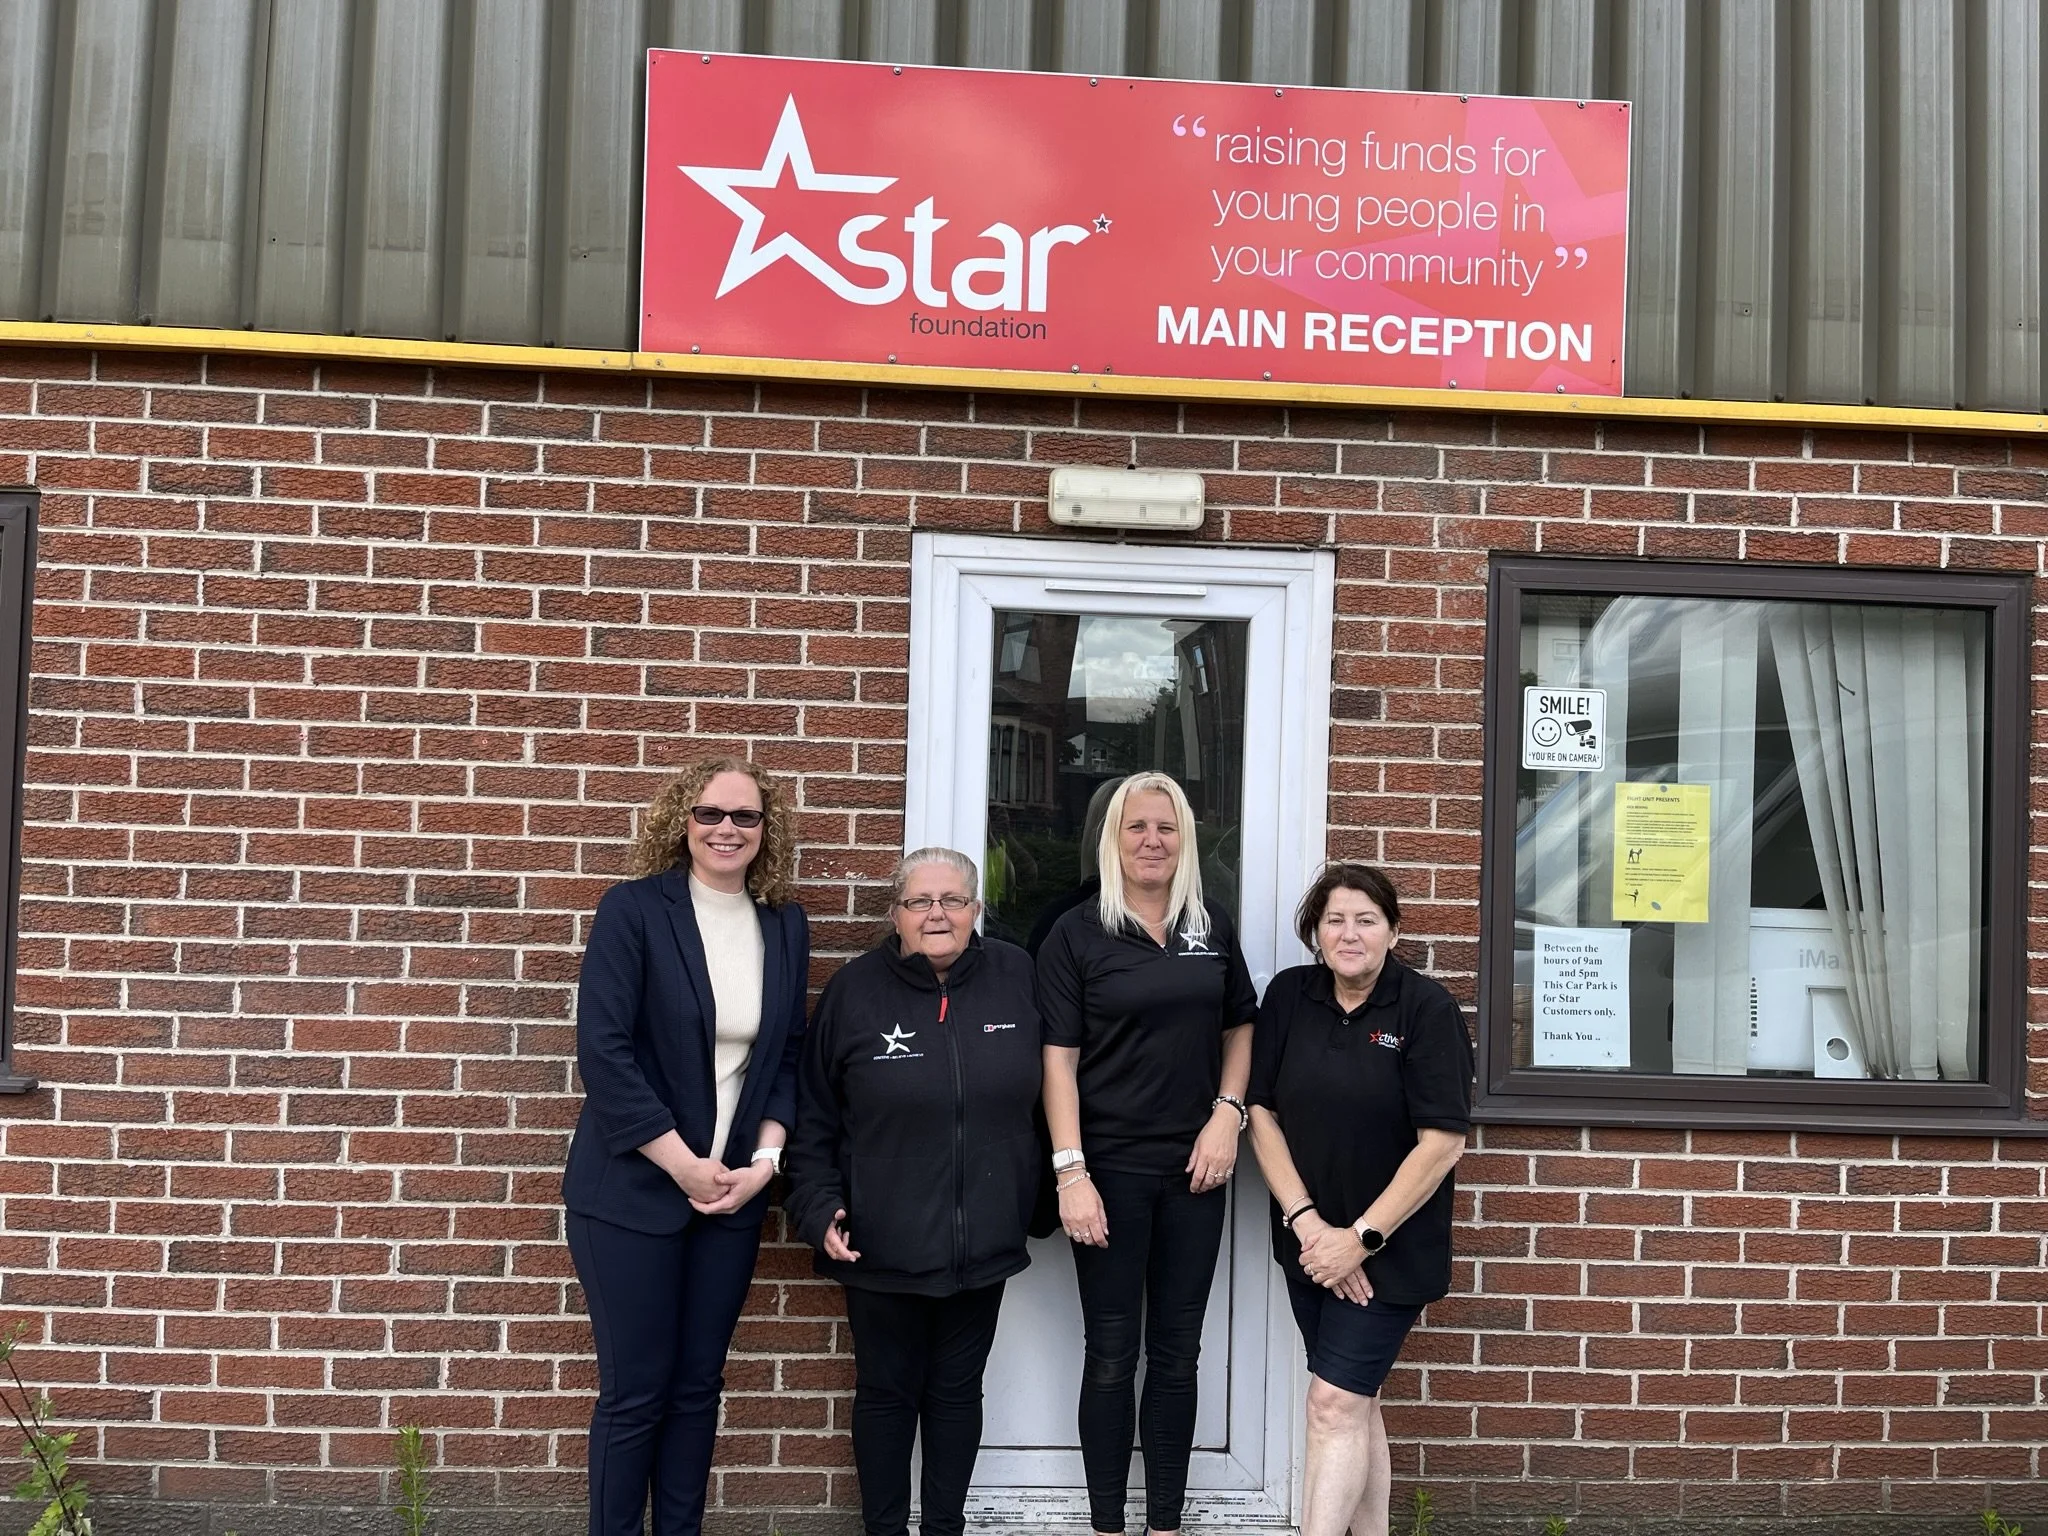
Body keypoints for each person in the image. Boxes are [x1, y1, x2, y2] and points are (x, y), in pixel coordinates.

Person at [560, 757, 810, 1536]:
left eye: (746, 817)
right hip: (631, 1193)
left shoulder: (784, 923)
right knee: (636, 1392)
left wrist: (761, 1167)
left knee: (699, 1387)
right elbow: (605, 1055)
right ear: (682, 820)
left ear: (768, 832)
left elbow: (786, 1058)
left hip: (732, 1198)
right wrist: (682, 1165)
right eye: (710, 814)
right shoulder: (634, 910)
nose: (726, 830)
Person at [786, 848, 1043, 1536]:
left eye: (953, 900)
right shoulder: (854, 992)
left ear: (976, 910)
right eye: (920, 902)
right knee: (886, 1395)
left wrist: (1039, 1193)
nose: (937, 914)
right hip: (880, 1240)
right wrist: (816, 1206)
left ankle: (944, 1529)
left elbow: (1054, 1094)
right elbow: (813, 1114)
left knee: (958, 1393)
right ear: (895, 915)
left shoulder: (1017, 977)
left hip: (985, 1236)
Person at [1035, 771, 1259, 1536]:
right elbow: (1056, 1061)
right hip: (1111, 1172)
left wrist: (1228, 1115)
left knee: (1178, 1353)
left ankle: (1165, 1522)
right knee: (1110, 1353)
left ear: (1184, 838)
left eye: (1165, 827)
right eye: (1136, 828)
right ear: (1113, 839)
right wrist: (1072, 1174)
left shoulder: (1209, 923)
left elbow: (1240, 1026)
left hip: (1199, 1170)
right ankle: (1106, 1525)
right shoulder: (1078, 932)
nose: (1152, 841)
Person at [1246, 863, 1472, 1536]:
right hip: (1310, 1250)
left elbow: (1442, 1143)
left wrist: (1360, 1239)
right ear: (1315, 931)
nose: (1350, 934)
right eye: (1335, 919)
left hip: (1390, 1257)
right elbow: (1261, 1111)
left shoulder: (1425, 1010)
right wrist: (1311, 1226)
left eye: (1366, 920)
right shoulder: (1291, 997)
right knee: (1355, 1403)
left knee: (1330, 1405)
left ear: (1394, 931)